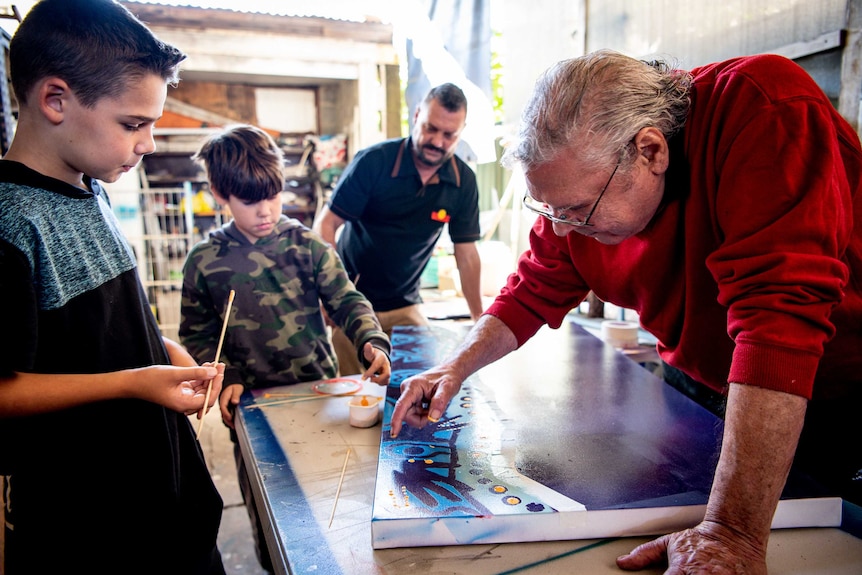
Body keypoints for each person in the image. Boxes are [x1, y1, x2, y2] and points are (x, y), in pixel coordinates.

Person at [391, 49, 862, 574]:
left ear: (650, 151)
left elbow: (778, 322)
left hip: (825, 389)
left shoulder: (765, 109)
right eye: (549, 211)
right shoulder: (580, 183)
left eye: (576, 212)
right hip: (708, 381)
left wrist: (730, 534)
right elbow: (531, 288)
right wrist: (452, 368)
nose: (563, 230)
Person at [0, 1, 228, 573]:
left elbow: (116, 320)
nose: (148, 143)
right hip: (90, 526)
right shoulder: (9, 222)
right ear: (56, 100)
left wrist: (170, 357)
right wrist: (133, 383)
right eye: (133, 124)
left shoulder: (91, 188)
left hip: (162, 496)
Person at [180, 124, 391, 572]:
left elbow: (347, 300)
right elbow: (196, 335)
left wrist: (370, 339)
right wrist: (227, 378)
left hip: (318, 397)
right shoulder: (203, 261)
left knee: (331, 503)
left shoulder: (308, 246)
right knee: (270, 511)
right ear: (220, 193)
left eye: (273, 196)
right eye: (250, 201)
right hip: (252, 409)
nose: (266, 211)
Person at [313, 83, 484, 375]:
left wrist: (480, 319)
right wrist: (332, 294)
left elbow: (466, 254)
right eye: (431, 128)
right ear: (416, 115)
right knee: (355, 396)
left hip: (406, 302)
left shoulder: (462, 181)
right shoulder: (374, 162)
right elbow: (326, 224)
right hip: (354, 303)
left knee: (421, 383)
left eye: (449, 135)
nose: (438, 141)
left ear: (461, 131)